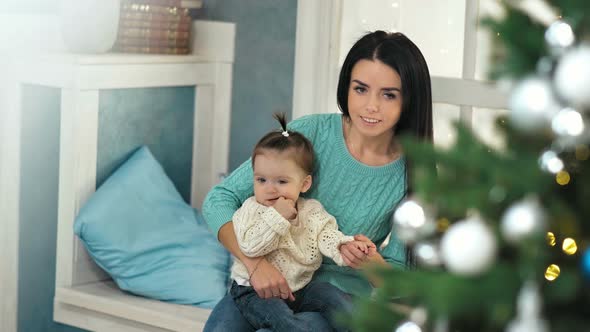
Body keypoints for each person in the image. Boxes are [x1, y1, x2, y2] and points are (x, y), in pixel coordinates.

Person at [202, 30, 433, 331]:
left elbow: (402, 277)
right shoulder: (309, 133)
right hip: (266, 280)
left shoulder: (414, 172)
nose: (370, 106)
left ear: (410, 99)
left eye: (388, 94)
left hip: (336, 297)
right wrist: (256, 265)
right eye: (360, 89)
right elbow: (219, 200)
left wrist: (369, 261)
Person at [229, 113, 372, 331]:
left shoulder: (311, 210)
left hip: (300, 288)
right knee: (285, 322)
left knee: (333, 297)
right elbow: (249, 246)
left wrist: (344, 245)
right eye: (261, 180)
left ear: (304, 184)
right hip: (255, 292)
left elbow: (326, 235)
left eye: (282, 181)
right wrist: (277, 216)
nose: (270, 188)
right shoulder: (251, 209)